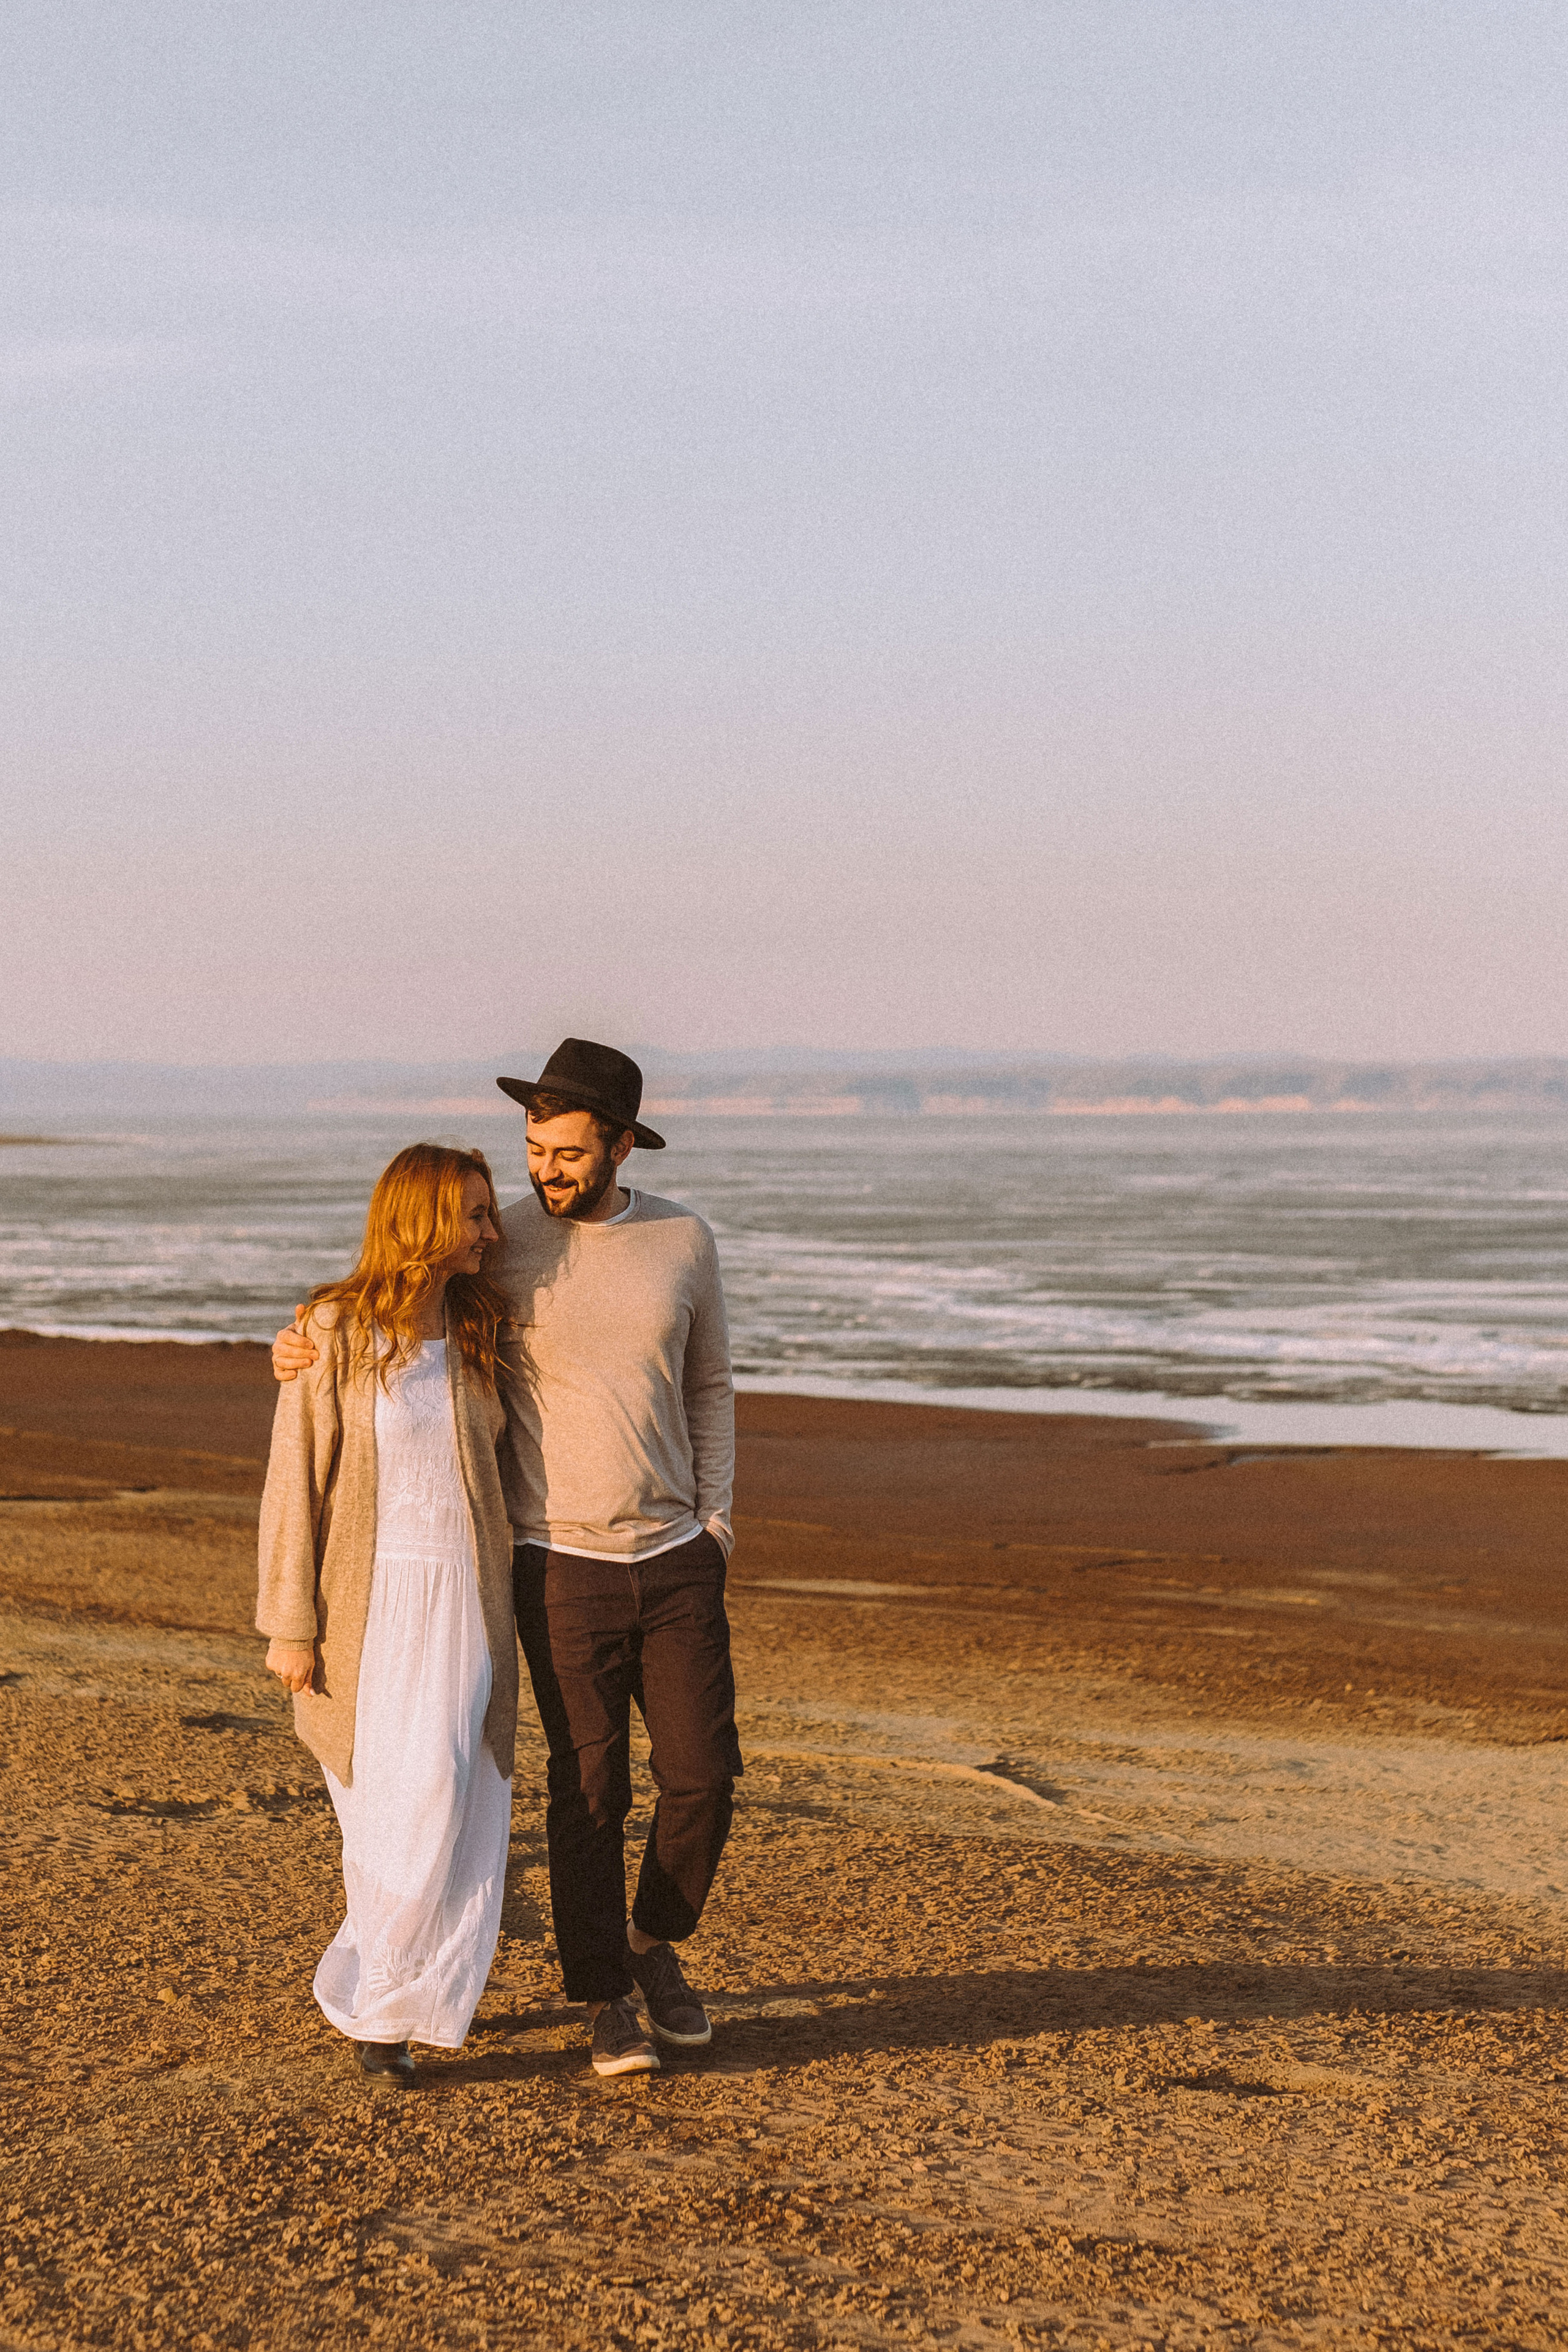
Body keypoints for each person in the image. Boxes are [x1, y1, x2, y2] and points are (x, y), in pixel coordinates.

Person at [273, 1039, 741, 2079]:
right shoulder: (500, 1255)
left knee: (704, 1777)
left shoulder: (682, 1242)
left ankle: (651, 1943)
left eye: (569, 1152)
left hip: (672, 1555)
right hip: (550, 1563)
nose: (544, 1172)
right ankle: (604, 1998)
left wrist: (716, 1517)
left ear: (622, 1145)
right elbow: (382, 1329)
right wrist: (298, 1338)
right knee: (586, 1790)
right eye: (534, 1150)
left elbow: (709, 1385)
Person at [257, 1142, 519, 2086]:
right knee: (387, 1811)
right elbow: (297, 1485)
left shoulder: (485, 1325)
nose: (495, 1232)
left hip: (469, 1601)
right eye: (479, 1216)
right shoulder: (329, 1332)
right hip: (365, 1610)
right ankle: (380, 2009)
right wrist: (289, 1624)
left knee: (456, 1794)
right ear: (428, 1221)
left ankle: (411, 1998)